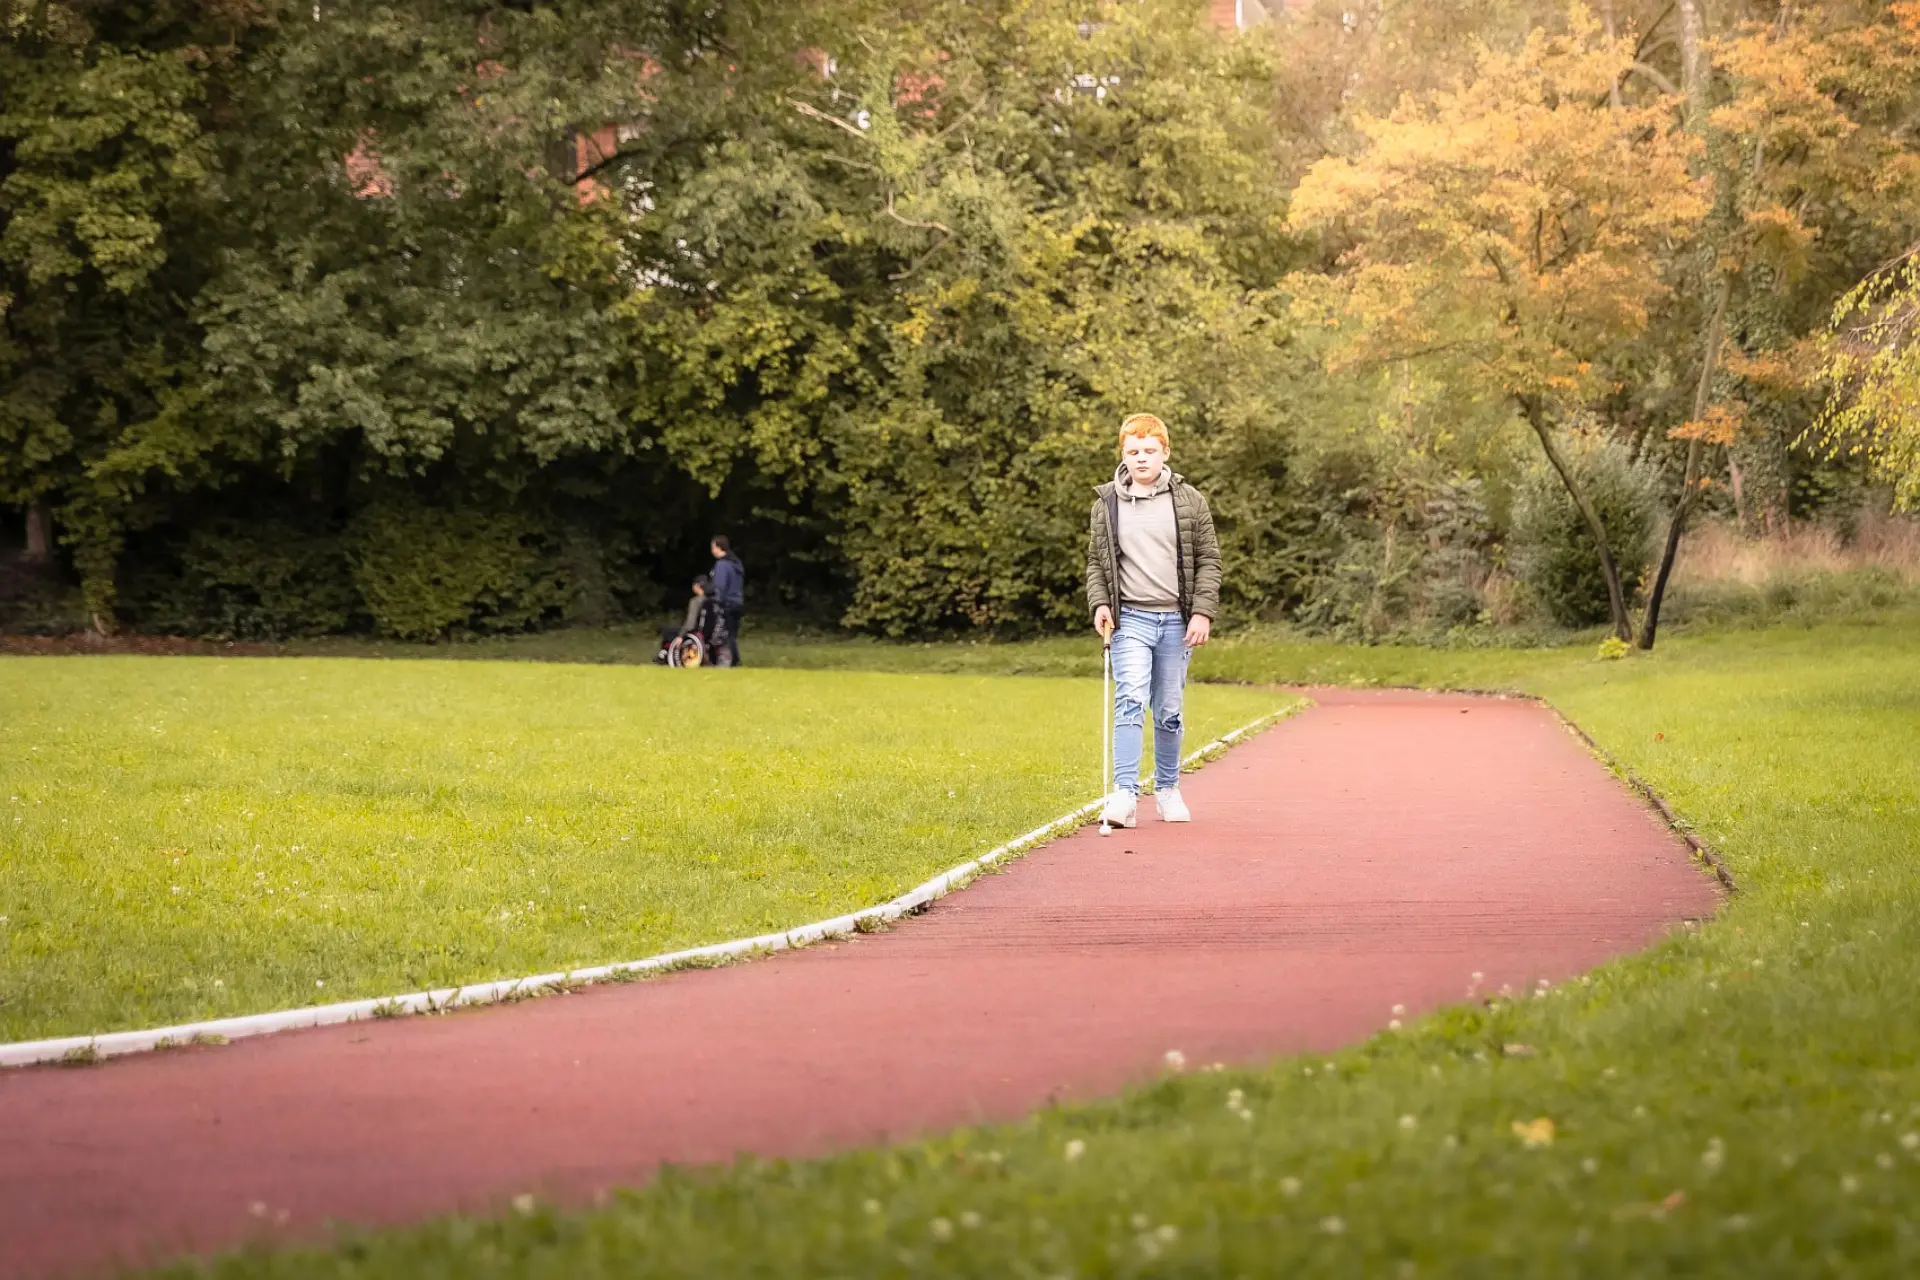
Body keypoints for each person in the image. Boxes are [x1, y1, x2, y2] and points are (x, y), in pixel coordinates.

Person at [1085, 412, 1221, 828]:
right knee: (1129, 700)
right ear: (1123, 454)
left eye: (1149, 450)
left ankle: (1166, 789)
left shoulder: (1190, 501)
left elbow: (1209, 561)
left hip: (1176, 622)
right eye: (1133, 451)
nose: (1141, 458)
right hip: (1131, 620)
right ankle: (1125, 794)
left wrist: (1202, 611)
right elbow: (1097, 562)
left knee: (1168, 710)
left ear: (1165, 452)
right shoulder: (1105, 503)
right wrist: (1100, 603)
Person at [656, 575, 713, 665]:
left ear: (697, 586)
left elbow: (690, 623)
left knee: (669, 632)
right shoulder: (711, 601)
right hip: (709, 632)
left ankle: (663, 655)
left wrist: (681, 635)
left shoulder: (695, 601)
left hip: (695, 632)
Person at [709, 535, 745, 667]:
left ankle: (732, 661)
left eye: (713, 547)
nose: (712, 550)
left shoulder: (722, 565)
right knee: (732, 634)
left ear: (719, 547)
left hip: (727, 603)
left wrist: (716, 602)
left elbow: (720, 586)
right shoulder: (736, 564)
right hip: (738, 602)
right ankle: (735, 659)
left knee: (726, 634)